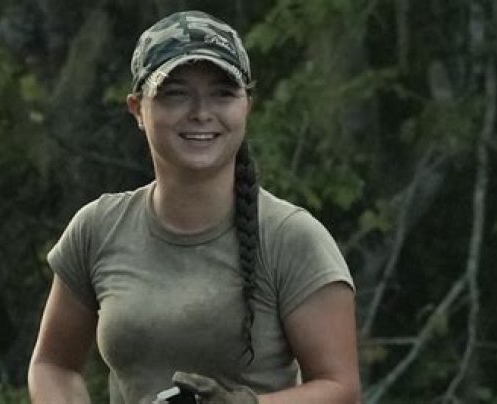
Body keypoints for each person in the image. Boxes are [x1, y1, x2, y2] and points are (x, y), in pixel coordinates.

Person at [28, 10, 360, 404]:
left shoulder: (293, 237)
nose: (201, 113)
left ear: (247, 106)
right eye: (175, 93)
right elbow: (53, 365)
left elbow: (341, 389)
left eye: (223, 93)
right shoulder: (98, 229)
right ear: (137, 109)